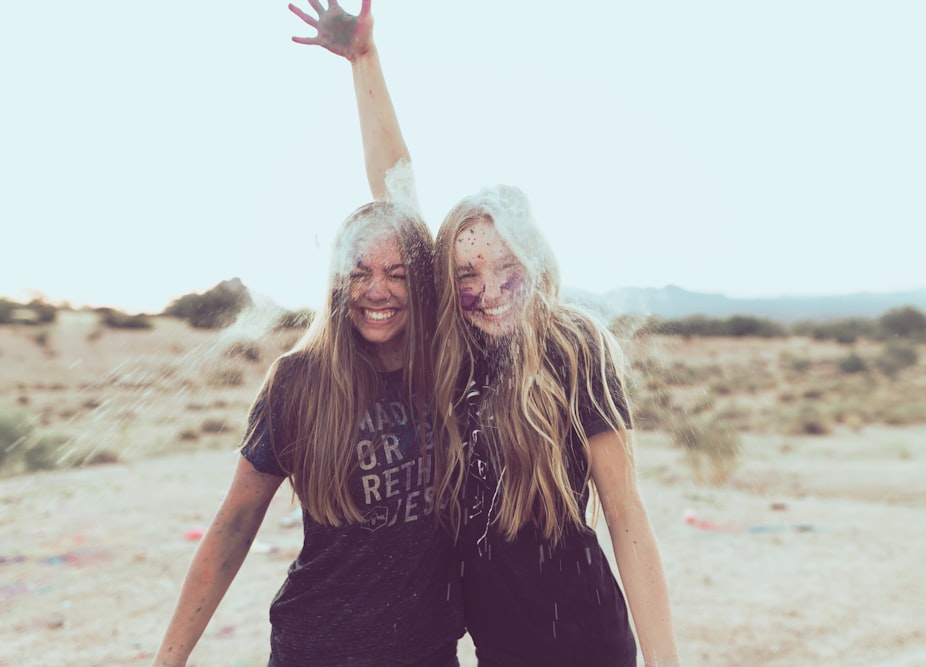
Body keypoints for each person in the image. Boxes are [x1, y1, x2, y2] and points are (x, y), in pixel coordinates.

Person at [300, 2, 682, 665]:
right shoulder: (452, 346)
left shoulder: (574, 348)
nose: (489, 285)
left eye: (507, 265)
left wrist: (666, 661)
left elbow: (625, 515)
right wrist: (365, 61)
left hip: (588, 637)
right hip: (494, 642)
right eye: (467, 270)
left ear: (534, 263)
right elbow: (397, 187)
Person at [149, 25, 464, 667]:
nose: (378, 291)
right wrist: (169, 659)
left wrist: (365, 62)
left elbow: (399, 191)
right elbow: (236, 521)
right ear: (336, 282)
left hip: (428, 651)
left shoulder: (445, 362)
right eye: (359, 272)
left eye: (399, 272)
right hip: (317, 647)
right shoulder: (300, 382)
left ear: (422, 279)